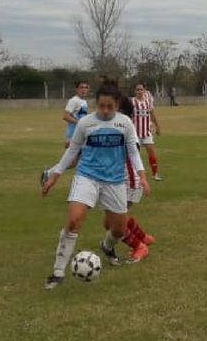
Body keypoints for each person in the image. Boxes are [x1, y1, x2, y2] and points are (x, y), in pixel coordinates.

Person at [40, 80, 149, 289]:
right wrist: (55, 175)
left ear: (117, 104)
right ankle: (57, 272)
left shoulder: (125, 123)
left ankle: (107, 246)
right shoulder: (85, 123)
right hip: (87, 177)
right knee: (74, 220)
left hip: (115, 181)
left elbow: (133, 152)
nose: (105, 111)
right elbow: (72, 151)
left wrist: (142, 177)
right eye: (101, 106)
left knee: (118, 230)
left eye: (110, 106)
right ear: (96, 104)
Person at [118, 94, 155, 264]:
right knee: (119, 216)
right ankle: (142, 237)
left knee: (113, 222)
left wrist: (142, 178)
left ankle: (139, 246)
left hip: (129, 179)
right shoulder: (122, 125)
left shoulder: (124, 127)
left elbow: (133, 153)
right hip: (122, 179)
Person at [40, 80, 89, 185]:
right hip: (73, 135)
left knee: (75, 162)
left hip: (81, 135)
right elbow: (65, 116)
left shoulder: (84, 102)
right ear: (77, 89)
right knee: (73, 161)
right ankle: (49, 173)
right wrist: (78, 123)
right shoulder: (73, 101)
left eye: (86, 87)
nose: (84, 89)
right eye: (81, 87)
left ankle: (49, 173)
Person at [132, 82, 162, 180]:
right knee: (134, 155)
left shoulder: (148, 102)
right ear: (135, 91)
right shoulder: (132, 102)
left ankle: (155, 174)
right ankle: (134, 174)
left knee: (151, 152)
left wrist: (158, 127)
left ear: (144, 90)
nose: (139, 91)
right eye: (138, 89)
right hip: (135, 134)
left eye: (141, 89)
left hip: (146, 132)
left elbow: (152, 114)